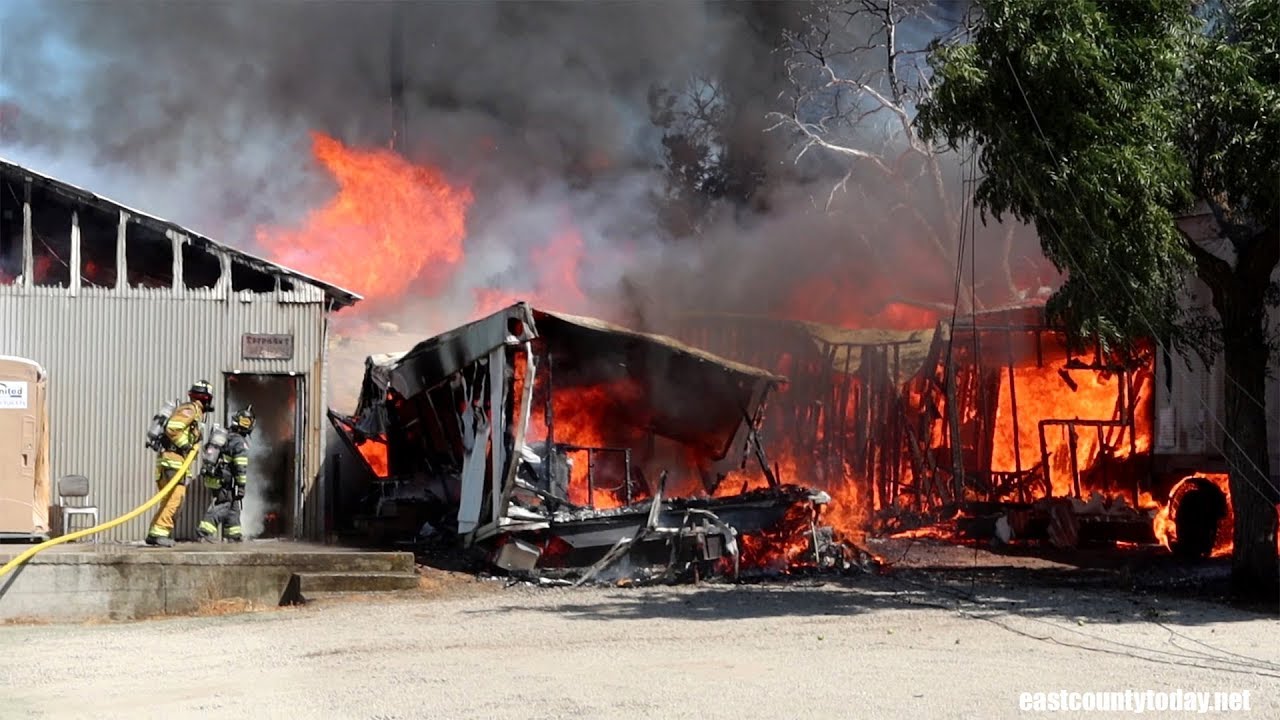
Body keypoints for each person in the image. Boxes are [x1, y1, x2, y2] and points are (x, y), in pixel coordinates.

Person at [145, 380, 212, 547]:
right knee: (176, 498)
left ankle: (155, 533)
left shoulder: (193, 411)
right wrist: (186, 445)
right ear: (206, 399)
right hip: (173, 462)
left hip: (170, 461)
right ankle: (160, 533)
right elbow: (173, 428)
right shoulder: (190, 410)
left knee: (169, 499)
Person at [197, 406, 254, 543]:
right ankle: (204, 531)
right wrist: (241, 486)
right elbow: (240, 465)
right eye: (245, 422)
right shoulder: (239, 441)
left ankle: (233, 535)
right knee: (225, 504)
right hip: (224, 479)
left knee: (234, 506)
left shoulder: (227, 435)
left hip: (215, 476)